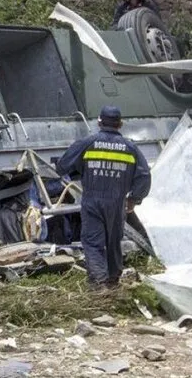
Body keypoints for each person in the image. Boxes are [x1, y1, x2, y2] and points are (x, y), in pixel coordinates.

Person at [54, 105, 151, 289]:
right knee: (114, 241)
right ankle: (113, 280)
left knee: (92, 242)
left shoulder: (87, 143)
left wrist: (81, 170)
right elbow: (144, 176)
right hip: (117, 202)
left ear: (99, 122)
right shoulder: (131, 148)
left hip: (92, 200)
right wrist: (134, 199)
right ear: (120, 124)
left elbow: (62, 166)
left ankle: (99, 283)